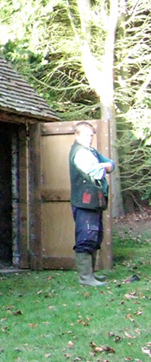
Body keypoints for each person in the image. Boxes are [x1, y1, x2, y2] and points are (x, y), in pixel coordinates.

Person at [69, 121, 115, 287]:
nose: (90, 138)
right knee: (86, 237)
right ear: (77, 135)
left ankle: (91, 275)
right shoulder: (80, 152)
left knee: (95, 236)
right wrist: (104, 166)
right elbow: (98, 171)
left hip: (93, 202)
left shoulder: (91, 151)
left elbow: (111, 164)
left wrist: (104, 165)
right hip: (84, 202)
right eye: (87, 135)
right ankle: (85, 278)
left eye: (92, 135)